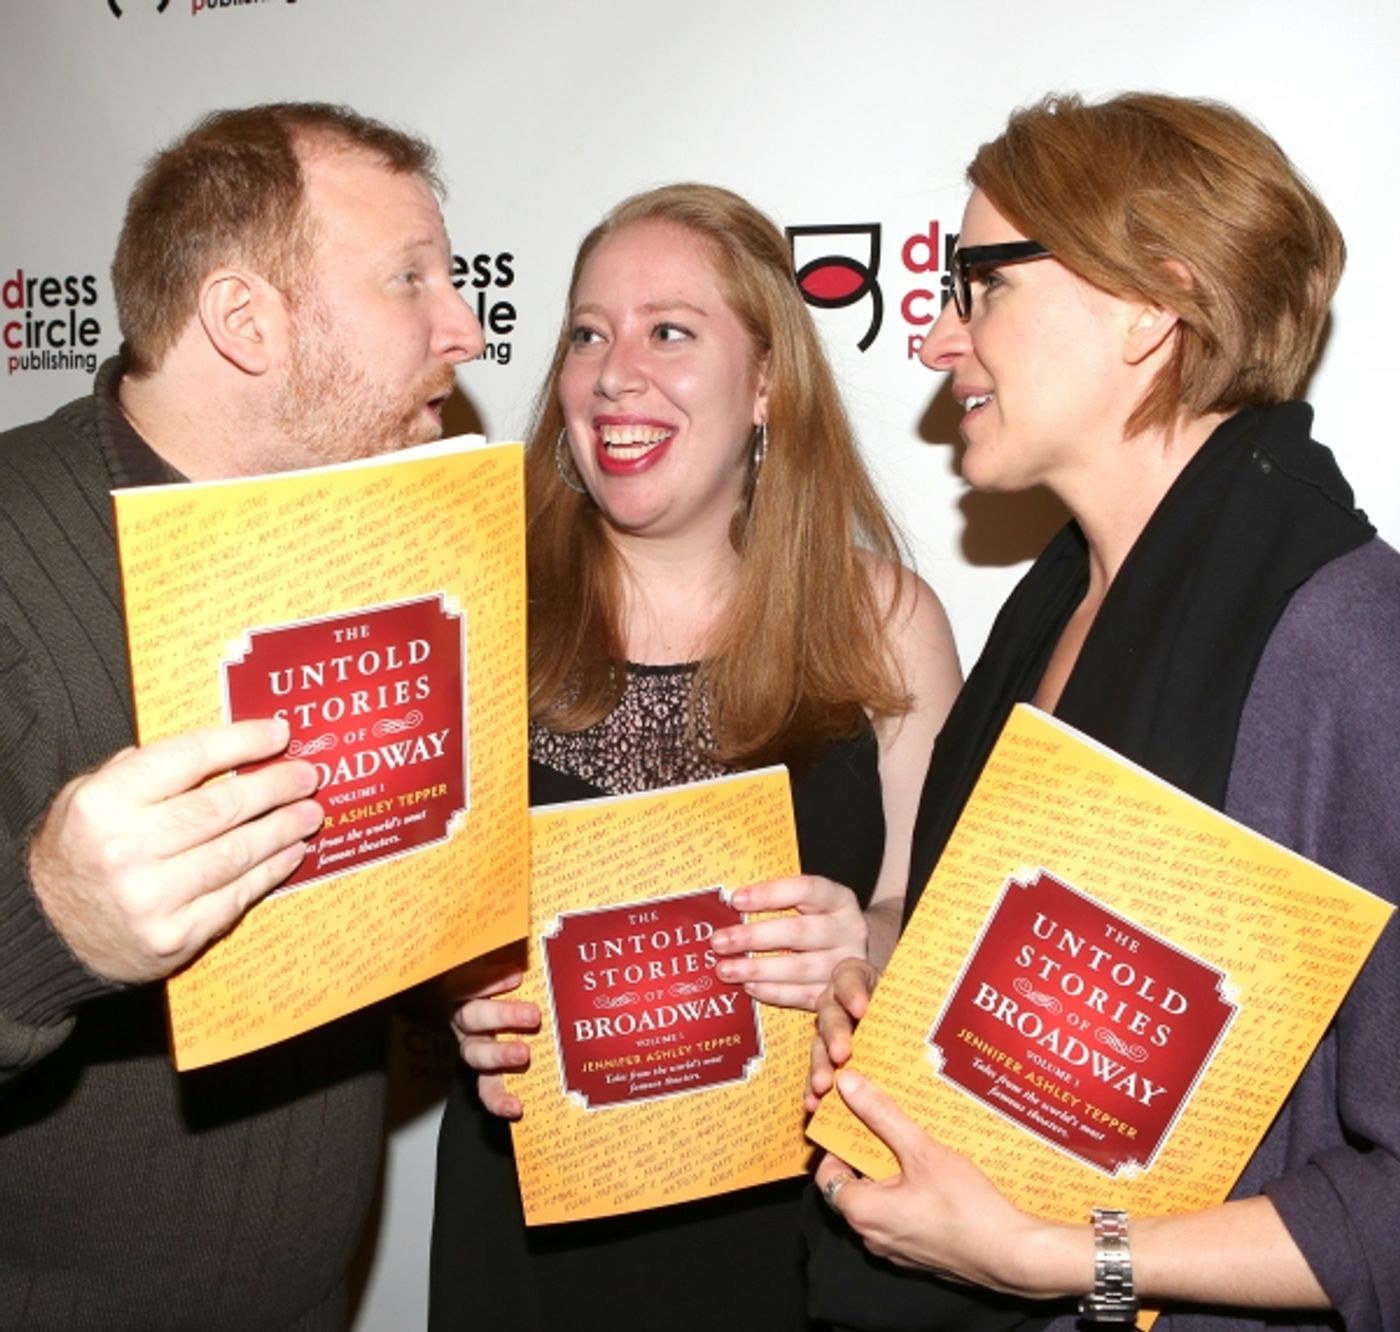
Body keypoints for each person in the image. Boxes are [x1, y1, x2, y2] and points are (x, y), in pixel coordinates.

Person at [808, 92, 1400, 1332]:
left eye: (979, 284)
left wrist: (1067, 1256)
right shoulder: (1051, 601)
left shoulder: (1344, 638)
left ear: (1149, 304)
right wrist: (899, 1016)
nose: (932, 339)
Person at [428, 183, 962, 1330]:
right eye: (586, 334)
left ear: (767, 382)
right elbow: (389, 922)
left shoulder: (884, 622)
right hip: (524, 1238)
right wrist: (451, 1002)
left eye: (670, 330)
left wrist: (859, 942)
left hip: (791, 1244)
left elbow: (934, 920)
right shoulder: (470, 615)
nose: (614, 372)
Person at [0, 102, 483, 1330]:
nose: (463, 327)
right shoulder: (10, 547)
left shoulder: (388, 541)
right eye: (408, 280)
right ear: (243, 321)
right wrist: (44, 923)